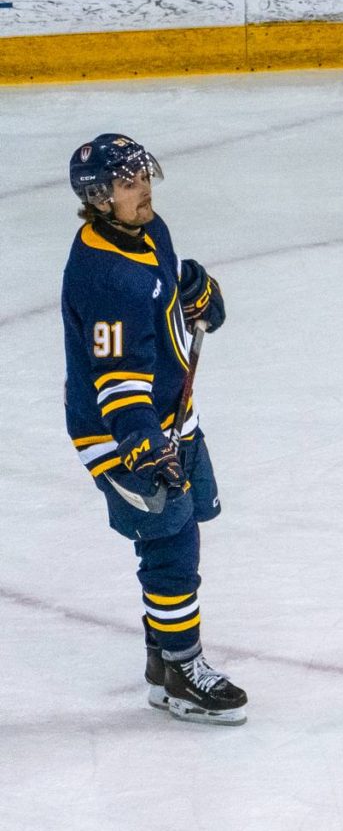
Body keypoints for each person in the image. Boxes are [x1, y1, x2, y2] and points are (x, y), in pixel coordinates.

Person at [59, 134, 247, 725]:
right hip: (122, 435)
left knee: (191, 522)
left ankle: (161, 663)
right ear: (99, 196)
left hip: (170, 415)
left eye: (144, 178)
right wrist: (142, 444)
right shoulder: (104, 276)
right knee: (170, 541)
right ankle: (182, 670)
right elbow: (116, 380)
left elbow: (164, 282)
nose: (144, 190)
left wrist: (193, 287)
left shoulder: (148, 229)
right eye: (129, 183)